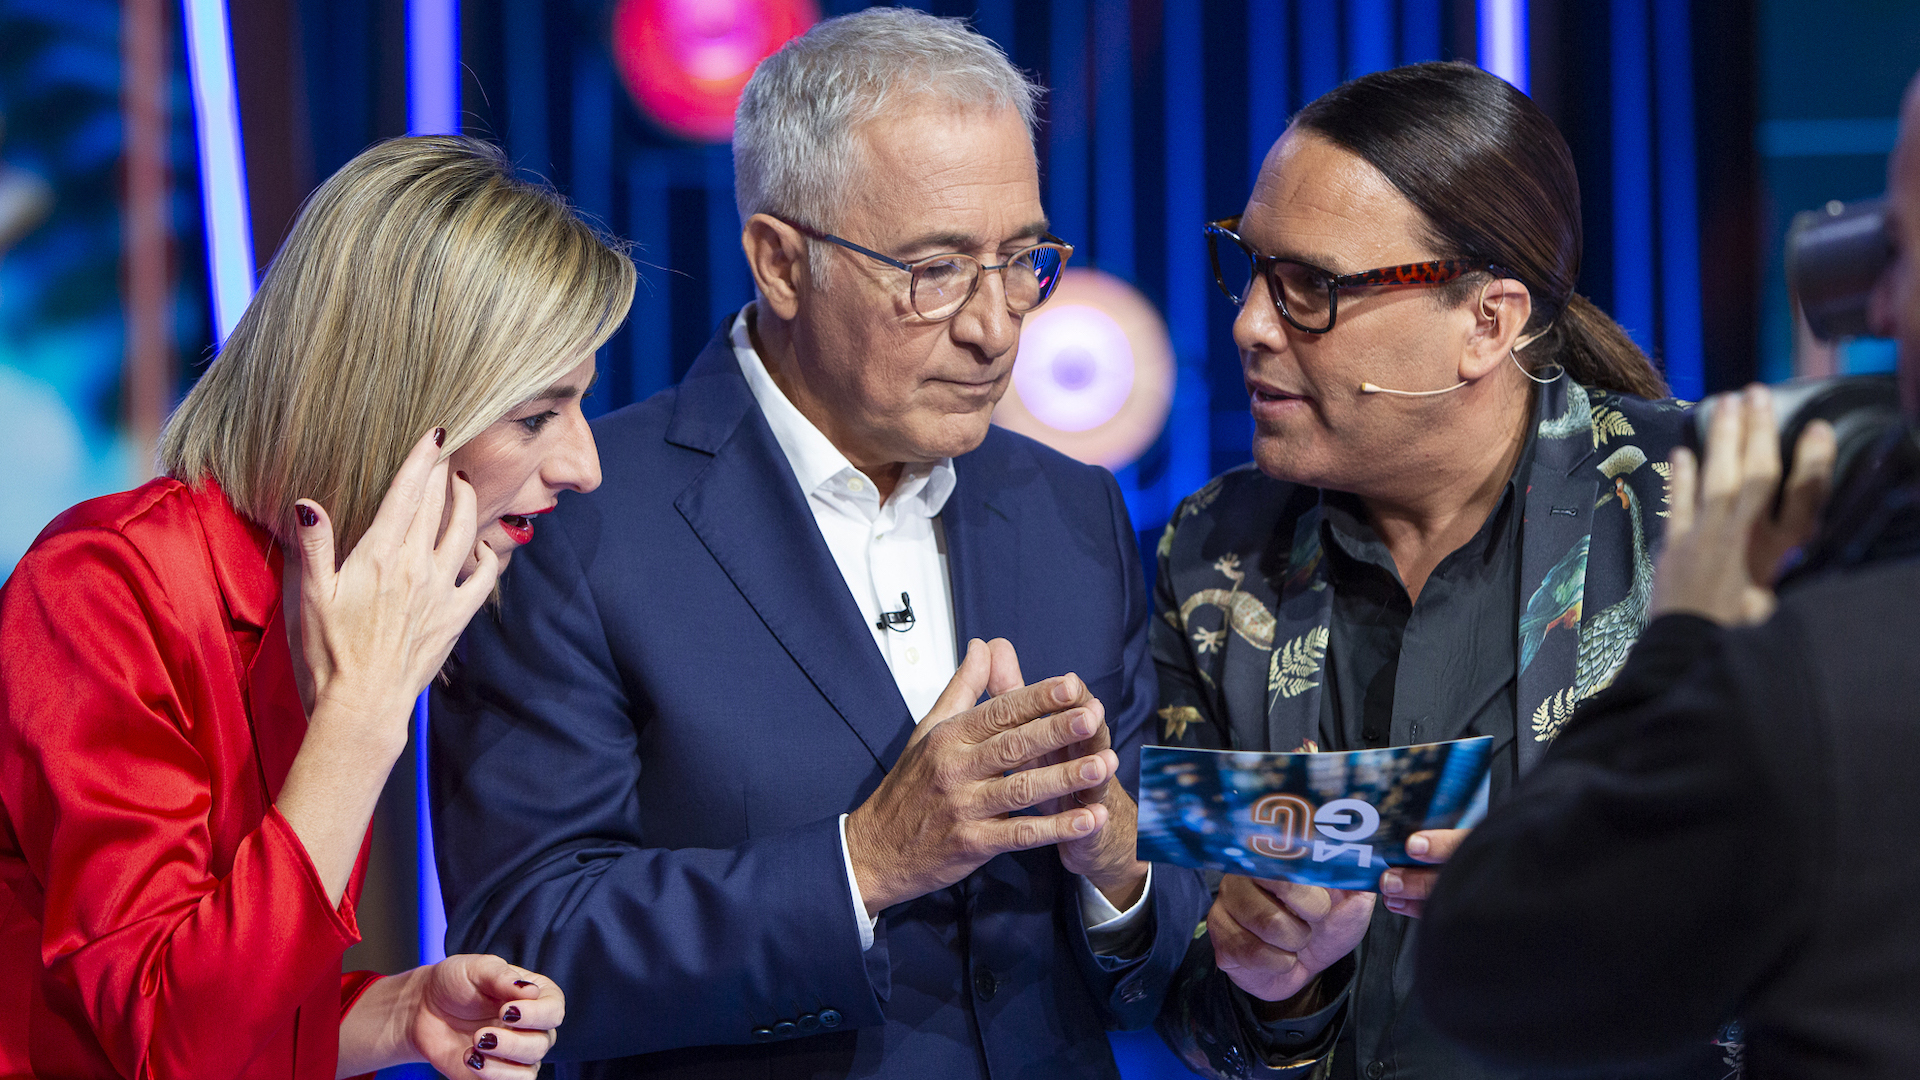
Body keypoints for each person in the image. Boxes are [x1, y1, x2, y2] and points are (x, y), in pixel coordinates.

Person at [429, 8, 1208, 1079]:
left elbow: (1164, 942)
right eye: (936, 269)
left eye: (1022, 259)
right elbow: (526, 944)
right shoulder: (580, 522)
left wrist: (1120, 864)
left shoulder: (1072, 509)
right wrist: (865, 861)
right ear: (782, 263)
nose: (995, 326)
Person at [0, 135, 634, 1079]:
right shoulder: (101, 587)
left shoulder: (332, 599)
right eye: (537, 416)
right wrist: (360, 723)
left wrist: (396, 1012)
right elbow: (174, 1044)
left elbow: (235, 1001)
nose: (584, 465)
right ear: (399, 406)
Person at [1150, 62, 1737, 1079]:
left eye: (1312, 287)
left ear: (1487, 323)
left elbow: (1860, 922)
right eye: (1249, 266)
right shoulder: (1212, 561)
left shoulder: (1718, 519)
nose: (1249, 322)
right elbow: (1165, 978)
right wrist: (1282, 984)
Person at [1414, 70, 1920, 1079]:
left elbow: (1498, 959)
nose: (1880, 301)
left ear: (1491, 320)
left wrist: (1684, 637)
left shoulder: (1821, 684)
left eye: (1900, 250)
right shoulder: (1213, 547)